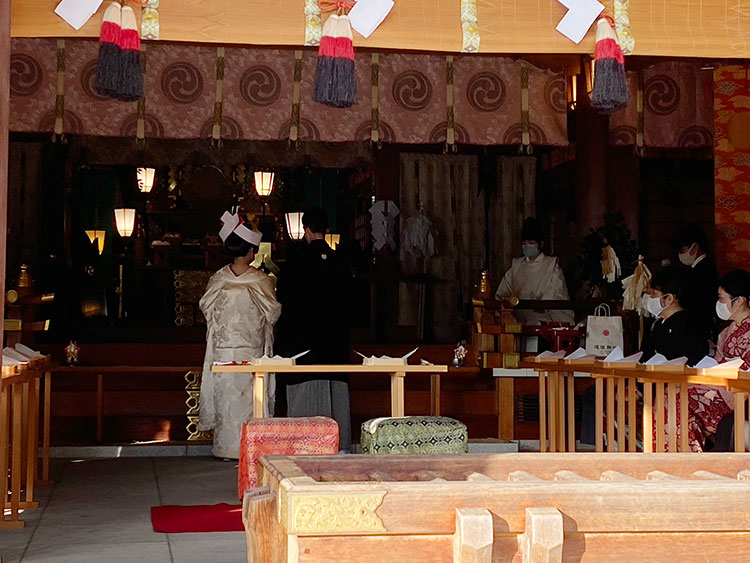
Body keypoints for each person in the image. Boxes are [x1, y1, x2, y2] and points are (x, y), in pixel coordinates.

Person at [198, 210, 282, 459]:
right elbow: (273, 312)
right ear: (250, 251)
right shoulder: (260, 280)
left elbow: (207, 309)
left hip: (224, 349)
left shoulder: (218, 279)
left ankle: (226, 447)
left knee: (228, 402)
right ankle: (251, 448)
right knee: (248, 401)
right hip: (251, 348)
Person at [276, 207, 352, 449]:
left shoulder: (295, 265)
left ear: (305, 230)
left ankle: (304, 449)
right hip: (336, 344)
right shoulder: (341, 263)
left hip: (304, 346)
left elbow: (285, 306)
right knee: (336, 401)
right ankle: (339, 447)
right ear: (326, 231)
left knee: (305, 404)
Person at [680, 270, 750, 452]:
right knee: (675, 393)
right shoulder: (725, 332)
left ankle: (688, 456)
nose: (719, 304)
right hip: (718, 389)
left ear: (740, 301)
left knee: (682, 400)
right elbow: (717, 363)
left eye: (722, 299)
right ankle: (681, 453)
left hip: (738, 395)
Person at [495, 217, 574, 325]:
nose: (527, 246)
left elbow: (557, 294)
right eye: (524, 243)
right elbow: (503, 292)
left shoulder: (551, 266)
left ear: (541, 244)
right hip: (518, 320)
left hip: (544, 320)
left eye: (531, 242)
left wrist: (541, 304)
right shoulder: (516, 266)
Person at [641, 269, 707, 366]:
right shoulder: (657, 324)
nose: (649, 298)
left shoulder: (690, 326)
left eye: (654, 294)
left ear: (669, 298)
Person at [671, 224, 718, 342]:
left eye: (682, 250)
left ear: (695, 247)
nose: (680, 255)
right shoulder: (693, 269)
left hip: (700, 325)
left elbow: (700, 302)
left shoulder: (706, 268)